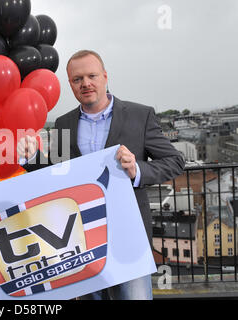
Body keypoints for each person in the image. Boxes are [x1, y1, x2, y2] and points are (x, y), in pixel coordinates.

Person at [17, 50, 185, 300]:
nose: (85, 83)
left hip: (129, 235)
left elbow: (175, 161)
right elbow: (57, 173)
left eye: (91, 76)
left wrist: (137, 170)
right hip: (82, 239)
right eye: (77, 79)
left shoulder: (141, 115)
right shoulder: (64, 123)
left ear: (105, 76)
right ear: (71, 84)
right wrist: (31, 158)